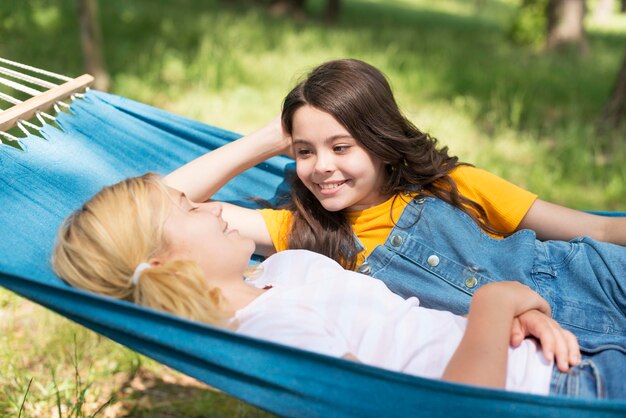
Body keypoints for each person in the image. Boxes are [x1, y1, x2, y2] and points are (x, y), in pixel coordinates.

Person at [163, 59, 626, 354]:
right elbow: (157, 206)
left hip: (601, 280)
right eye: (305, 151)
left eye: (341, 147)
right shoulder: (305, 233)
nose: (322, 166)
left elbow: (599, 231)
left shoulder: (451, 184)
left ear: (381, 142)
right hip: (558, 355)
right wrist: (269, 138)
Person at [51, 173, 626, 400]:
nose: (210, 207)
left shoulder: (273, 272)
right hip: (560, 392)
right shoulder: (270, 335)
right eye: (187, 208)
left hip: (556, 343)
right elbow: (445, 413)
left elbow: (415, 326)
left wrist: (519, 318)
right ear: (157, 262)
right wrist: (494, 306)